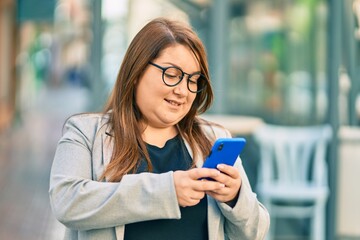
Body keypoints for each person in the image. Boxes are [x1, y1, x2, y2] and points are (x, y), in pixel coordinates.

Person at [49, 17, 270, 240]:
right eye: (172, 75)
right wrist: (167, 191)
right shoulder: (85, 132)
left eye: (193, 80)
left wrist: (234, 197)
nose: (183, 91)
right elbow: (66, 201)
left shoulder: (213, 138)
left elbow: (256, 232)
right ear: (136, 73)